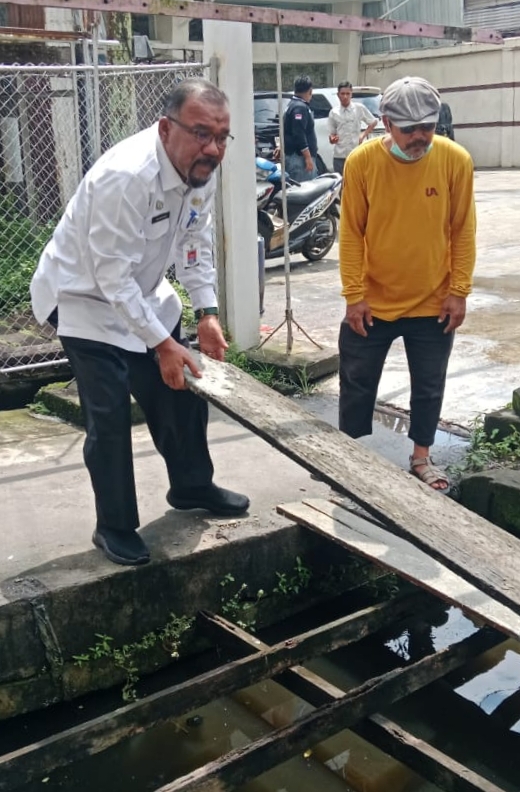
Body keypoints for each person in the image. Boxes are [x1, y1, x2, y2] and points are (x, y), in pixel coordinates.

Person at [30, 78, 249, 566]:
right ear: (166, 128)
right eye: (201, 133)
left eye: (221, 136)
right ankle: (114, 526)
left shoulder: (200, 170)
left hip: (145, 293)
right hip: (83, 300)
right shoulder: (126, 177)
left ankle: (192, 485)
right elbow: (111, 276)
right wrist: (161, 344)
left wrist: (207, 312)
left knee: (183, 389)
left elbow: (194, 243)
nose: (213, 148)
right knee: (109, 415)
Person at [338, 76, 476, 493]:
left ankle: (421, 457)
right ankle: (348, 459)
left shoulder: (455, 160)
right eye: (408, 128)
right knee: (357, 382)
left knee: (429, 385)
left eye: (427, 127)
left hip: (433, 300)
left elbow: (463, 230)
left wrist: (459, 291)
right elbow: (351, 233)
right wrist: (354, 295)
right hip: (373, 302)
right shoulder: (361, 162)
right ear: (386, 123)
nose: (419, 137)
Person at [327, 81, 378, 176]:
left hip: (355, 154)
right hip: (340, 156)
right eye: (342, 94)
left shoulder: (359, 108)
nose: (345, 96)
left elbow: (373, 122)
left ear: (351, 94)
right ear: (338, 95)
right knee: (341, 182)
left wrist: (363, 135)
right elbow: (332, 134)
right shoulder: (333, 112)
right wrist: (332, 139)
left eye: (348, 94)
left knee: (357, 181)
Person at [283, 75, 318, 182]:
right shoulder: (300, 107)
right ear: (310, 91)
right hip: (299, 159)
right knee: (305, 188)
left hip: (294, 157)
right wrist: (307, 157)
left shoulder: (291, 105)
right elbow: (299, 133)